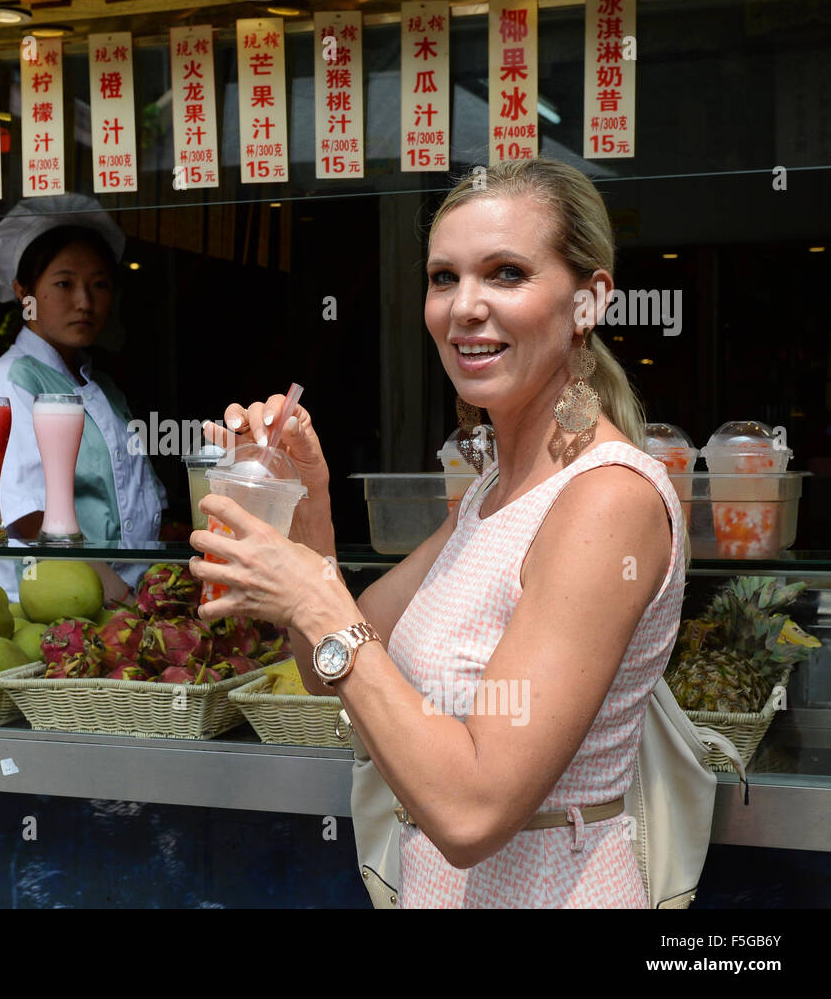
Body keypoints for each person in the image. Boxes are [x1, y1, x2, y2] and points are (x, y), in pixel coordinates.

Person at [190, 158, 686, 908]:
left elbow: (473, 811)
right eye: (444, 277)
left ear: (589, 301)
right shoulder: (489, 492)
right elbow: (331, 661)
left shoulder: (606, 502)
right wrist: (310, 506)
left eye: (506, 273)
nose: (464, 307)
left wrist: (318, 603)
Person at [0, 195, 167, 601]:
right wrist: (120, 599)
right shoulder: (8, 384)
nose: (85, 302)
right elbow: (32, 516)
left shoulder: (100, 385)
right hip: (58, 608)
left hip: (120, 603)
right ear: (24, 292)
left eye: (99, 284)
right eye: (64, 283)